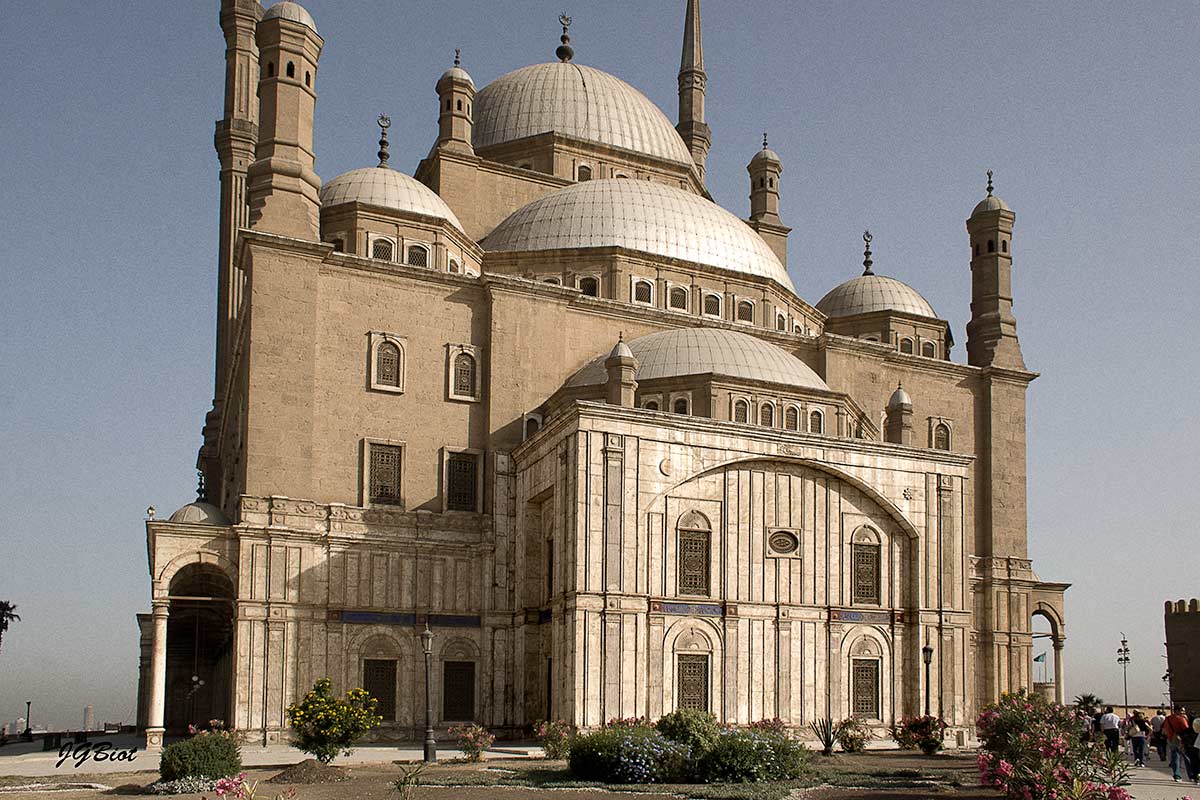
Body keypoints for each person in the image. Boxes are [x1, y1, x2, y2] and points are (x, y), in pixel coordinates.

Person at [1163, 705, 1192, 783]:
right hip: (1181, 740)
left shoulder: (1168, 718)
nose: (1183, 712)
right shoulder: (1181, 719)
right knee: (1187, 757)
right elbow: (1186, 729)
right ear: (1177, 711)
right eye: (1182, 710)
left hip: (1171, 739)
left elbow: (1165, 728)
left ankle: (1177, 775)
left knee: (1175, 757)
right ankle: (1191, 775)